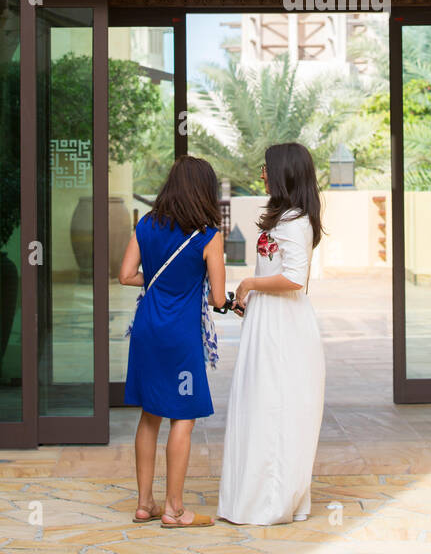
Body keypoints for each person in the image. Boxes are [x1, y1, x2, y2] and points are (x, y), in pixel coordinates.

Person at [218, 141, 325, 525]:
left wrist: (248, 284)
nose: (261, 174)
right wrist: (254, 294)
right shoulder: (285, 218)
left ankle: (271, 501)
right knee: (262, 404)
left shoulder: (295, 220)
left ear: (283, 173)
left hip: (284, 327)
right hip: (269, 321)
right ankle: (261, 496)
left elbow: (295, 278)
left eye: (266, 168)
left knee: (275, 407)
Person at [119, 155, 226, 528]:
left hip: (146, 330)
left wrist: (158, 283)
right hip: (180, 338)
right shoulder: (209, 236)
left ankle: (144, 503)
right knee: (183, 416)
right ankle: (174, 508)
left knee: (150, 415)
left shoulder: (145, 224)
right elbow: (216, 297)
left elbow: (125, 275)